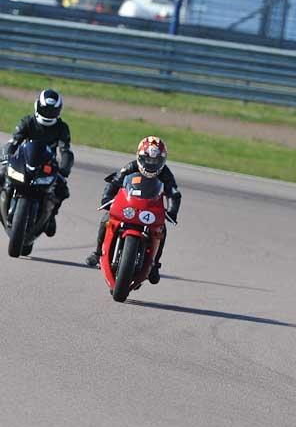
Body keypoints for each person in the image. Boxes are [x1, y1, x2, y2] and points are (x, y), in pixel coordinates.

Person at [85, 136, 181, 284]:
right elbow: (114, 181)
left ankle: (154, 264)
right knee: (106, 218)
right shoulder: (130, 167)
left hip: (150, 209)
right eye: (147, 159)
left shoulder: (166, 174)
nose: (151, 163)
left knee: (162, 230)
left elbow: (174, 193)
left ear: (162, 160)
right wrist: (106, 199)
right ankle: (98, 253)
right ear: (139, 157)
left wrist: (172, 212)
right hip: (129, 206)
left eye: (155, 161)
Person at [1, 90, 73, 236]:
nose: (47, 113)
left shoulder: (61, 128)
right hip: (24, 160)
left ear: (58, 111)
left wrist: (64, 168)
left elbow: (65, 150)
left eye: (52, 110)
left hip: (47, 164)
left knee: (62, 189)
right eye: (45, 109)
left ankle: (51, 216)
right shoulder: (27, 121)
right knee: (2, 173)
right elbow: (14, 141)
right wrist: (6, 156)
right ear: (37, 106)